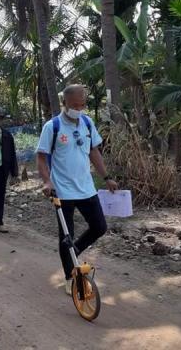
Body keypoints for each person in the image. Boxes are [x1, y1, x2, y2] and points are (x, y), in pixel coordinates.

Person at [36, 84, 118, 295]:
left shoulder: (87, 123)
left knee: (99, 227)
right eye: (75, 105)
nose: (79, 109)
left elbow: (94, 152)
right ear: (65, 103)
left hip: (86, 188)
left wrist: (106, 177)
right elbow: (42, 157)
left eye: (82, 105)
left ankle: (74, 251)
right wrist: (47, 181)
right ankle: (69, 277)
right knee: (66, 235)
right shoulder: (52, 127)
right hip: (62, 191)